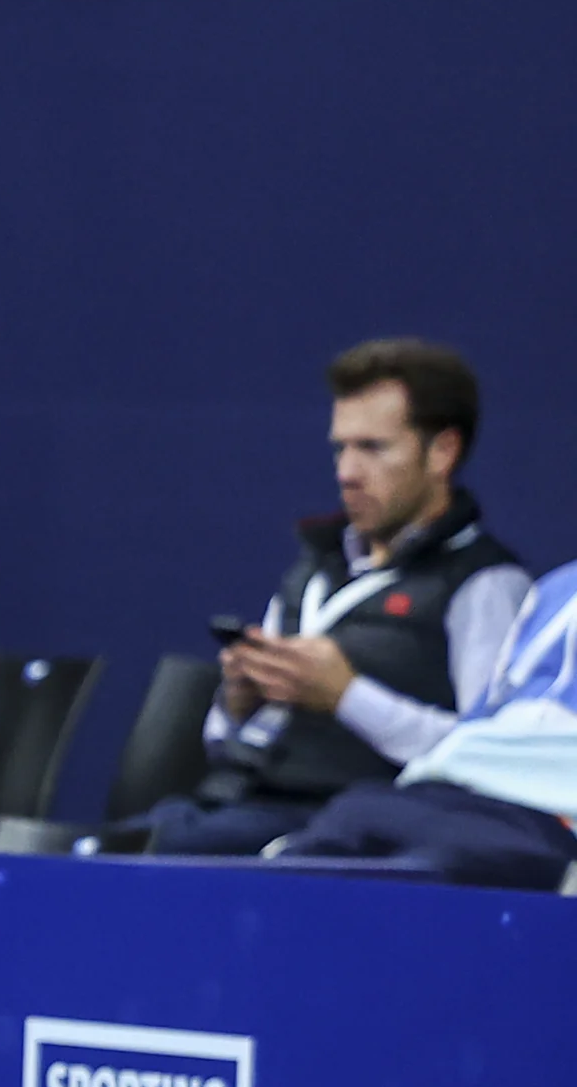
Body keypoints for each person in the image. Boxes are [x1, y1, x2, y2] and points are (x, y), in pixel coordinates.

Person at [149, 339, 528, 855]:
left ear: (442, 451)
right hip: (238, 805)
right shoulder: (314, 571)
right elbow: (232, 746)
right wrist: (239, 704)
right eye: (340, 448)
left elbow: (488, 757)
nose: (346, 473)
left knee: (164, 858)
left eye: (372, 448)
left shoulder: (484, 584)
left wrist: (347, 696)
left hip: (349, 834)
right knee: (120, 844)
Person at [275, 559, 577, 887]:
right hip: (441, 791)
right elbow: (480, 720)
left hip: (543, 819)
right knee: (316, 848)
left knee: (414, 882)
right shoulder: (557, 587)